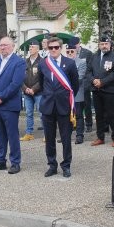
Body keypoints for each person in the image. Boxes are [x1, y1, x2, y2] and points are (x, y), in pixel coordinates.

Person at [38, 36, 79, 178]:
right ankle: (52, 165)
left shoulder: (70, 63)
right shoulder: (43, 64)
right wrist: (49, 95)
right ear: (47, 49)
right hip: (48, 106)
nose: (54, 50)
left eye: (56, 47)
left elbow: (75, 86)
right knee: (49, 138)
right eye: (51, 48)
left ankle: (66, 165)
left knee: (66, 138)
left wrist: (64, 98)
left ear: (60, 48)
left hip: (64, 106)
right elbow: (41, 83)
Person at [0, 36, 26, 174]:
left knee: (12, 134)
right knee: (0, 135)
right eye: (1, 45)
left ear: (12, 46)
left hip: (9, 104)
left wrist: (1, 97)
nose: (2, 47)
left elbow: (15, 84)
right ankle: (1, 160)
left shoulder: (19, 62)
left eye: (5, 45)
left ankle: (15, 162)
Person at [86, 35, 114, 147]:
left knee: (113, 115)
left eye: (106, 44)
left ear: (110, 45)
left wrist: (102, 82)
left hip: (110, 91)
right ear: (99, 45)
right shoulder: (94, 56)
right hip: (96, 91)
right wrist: (94, 80)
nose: (104, 46)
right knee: (99, 115)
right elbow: (88, 72)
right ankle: (100, 137)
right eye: (102, 44)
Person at [65, 39, 87, 144]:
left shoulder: (82, 62)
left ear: (76, 51)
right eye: (68, 52)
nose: (70, 54)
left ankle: (79, 135)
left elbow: (80, 77)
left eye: (72, 51)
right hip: (65, 93)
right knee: (65, 114)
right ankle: (66, 135)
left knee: (78, 115)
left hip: (77, 92)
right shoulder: (63, 63)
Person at [21, 40, 42, 141]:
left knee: (41, 113)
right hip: (27, 92)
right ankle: (29, 133)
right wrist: (26, 89)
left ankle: (47, 134)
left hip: (38, 93)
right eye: (29, 47)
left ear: (38, 49)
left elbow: (43, 79)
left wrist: (33, 89)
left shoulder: (42, 62)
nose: (30, 49)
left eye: (32, 47)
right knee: (29, 113)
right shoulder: (24, 62)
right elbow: (20, 78)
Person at [73, 36, 94, 132]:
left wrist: (88, 82)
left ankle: (89, 123)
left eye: (75, 45)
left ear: (79, 44)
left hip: (85, 83)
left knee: (86, 104)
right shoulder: (70, 53)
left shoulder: (87, 53)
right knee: (76, 106)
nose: (74, 47)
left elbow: (90, 69)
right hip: (74, 84)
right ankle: (75, 124)